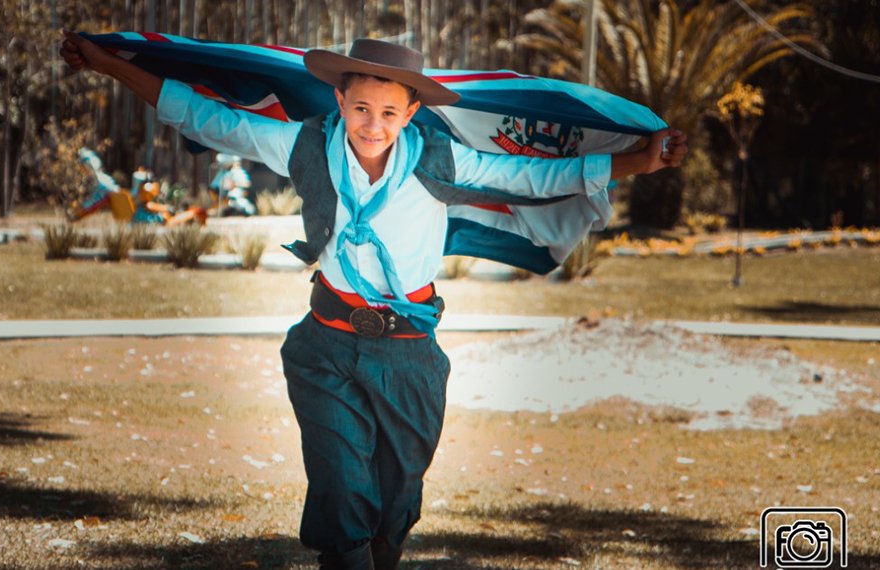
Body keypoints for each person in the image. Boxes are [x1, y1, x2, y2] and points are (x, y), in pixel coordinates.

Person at [60, 32, 687, 569]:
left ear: (412, 110)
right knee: (343, 492)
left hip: (411, 355)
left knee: (395, 503)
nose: (373, 125)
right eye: (360, 108)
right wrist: (109, 64)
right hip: (326, 347)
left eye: (389, 112)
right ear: (339, 99)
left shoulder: (442, 163)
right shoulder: (305, 145)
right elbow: (204, 117)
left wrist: (638, 163)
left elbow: (535, 176)